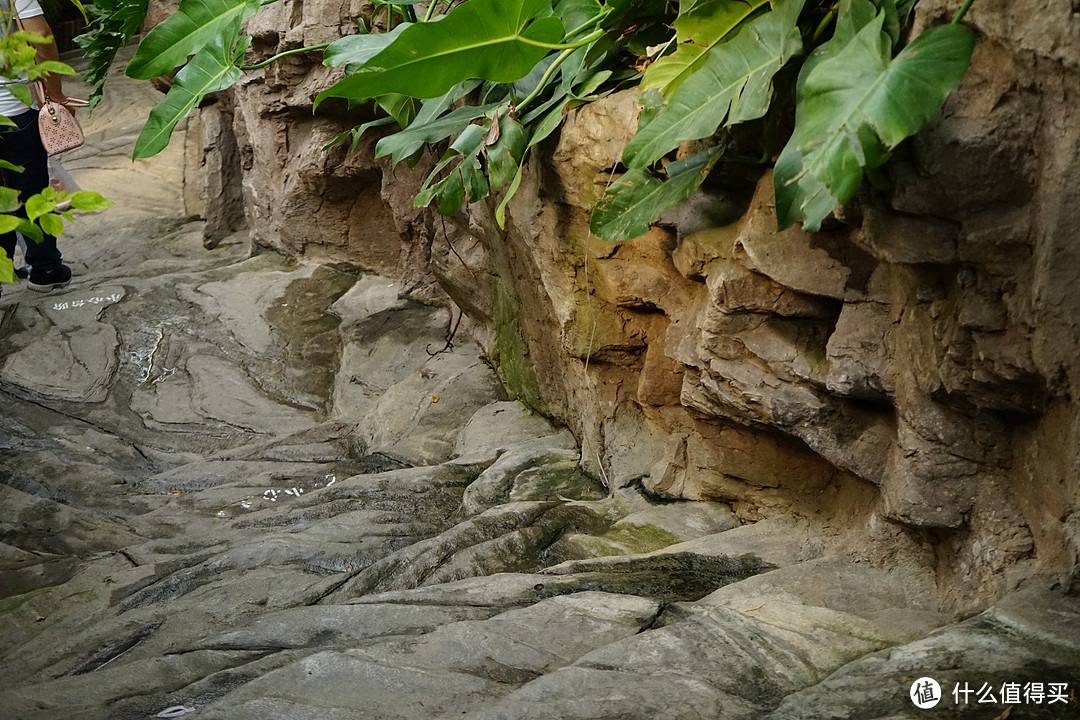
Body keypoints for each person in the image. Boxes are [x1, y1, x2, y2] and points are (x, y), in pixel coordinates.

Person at [0, 0, 74, 293]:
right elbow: (40, 35)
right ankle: (45, 268)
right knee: (29, 188)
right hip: (12, 109)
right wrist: (54, 95)